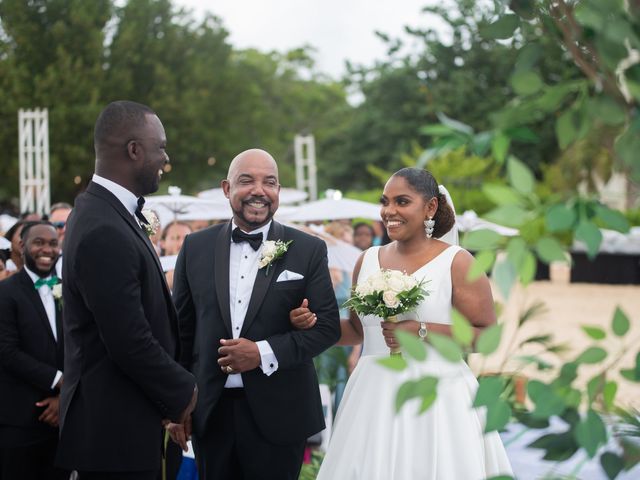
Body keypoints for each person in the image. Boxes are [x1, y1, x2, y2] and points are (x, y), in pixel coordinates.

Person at [294, 167, 513, 479]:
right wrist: (314, 324)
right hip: (373, 395)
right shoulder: (366, 259)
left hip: (437, 395)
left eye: (402, 201)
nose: (389, 211)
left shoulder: (458, 261)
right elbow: (358, 331)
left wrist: (421, 332)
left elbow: (486, 335)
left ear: (430, 207)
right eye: (385, 202)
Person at [171, 148, 341, 480]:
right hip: (211, 412)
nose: (259, 190)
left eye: (270, 182)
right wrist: (176, 403)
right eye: (246, 180)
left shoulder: (307, 249)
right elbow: (181, 332)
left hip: (281, 413)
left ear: (278, 191)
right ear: (227, 188)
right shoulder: (194, 247)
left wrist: (262, 353)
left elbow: (328, 328)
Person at [55, 100, 197, 479]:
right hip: (112, 432)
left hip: (123, 421)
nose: (165, 158)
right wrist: (184, 391)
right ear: (134, 150)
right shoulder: (103, 226)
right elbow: (127, 337)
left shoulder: (103, 213)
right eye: (161, 147)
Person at [0, 221, 69, 480]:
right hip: (19, 423)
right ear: (22, 246)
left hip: (63, 421)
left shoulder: (70, 289)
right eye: (38, 242)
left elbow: (81, 346)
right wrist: (59, 380)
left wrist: (65, 395)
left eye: (53, 243)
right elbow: (7, 351)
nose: (47, 249)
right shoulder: (5, 293)